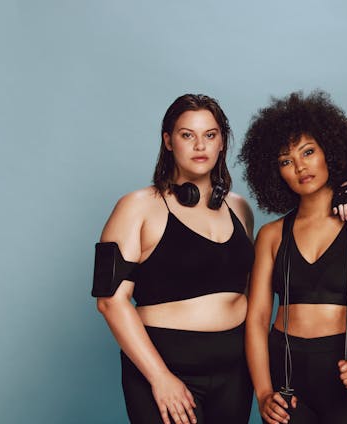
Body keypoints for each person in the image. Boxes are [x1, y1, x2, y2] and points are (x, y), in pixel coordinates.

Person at [92, 94, 255, 424]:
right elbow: (110, 302)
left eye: (210, 135)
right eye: (187, 135)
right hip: (166, 371)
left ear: (222, 141)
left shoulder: (240, 209)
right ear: (168, 141)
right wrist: (159, 377)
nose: (200, 146)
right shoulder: (137, 206)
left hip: (235, 374)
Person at [240, 90, 347, 424]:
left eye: (308, 151)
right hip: (286, 373)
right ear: (274, 172)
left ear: (330, 151)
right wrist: (264, 392)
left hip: (345, 371)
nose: (300, 166)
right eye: (285, 161)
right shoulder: (270, 236)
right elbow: (255, 320)